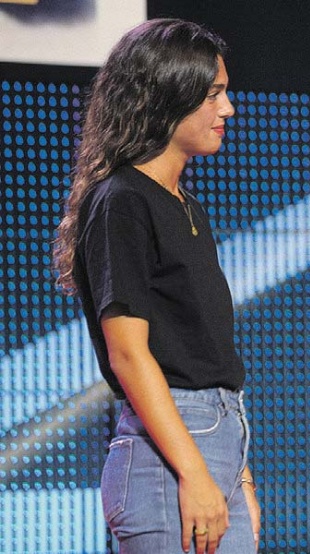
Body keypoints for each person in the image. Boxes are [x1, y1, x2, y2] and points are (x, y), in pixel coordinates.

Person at [52, 19, 260, 554]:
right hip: (168, 460)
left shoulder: (187, 207)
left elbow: (207, 356)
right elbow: (128, 353)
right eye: (212, 95)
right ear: (167, 97)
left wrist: (239, 478)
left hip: (217, 445)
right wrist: (195, 473)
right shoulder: (122, 200)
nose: (228, 109)